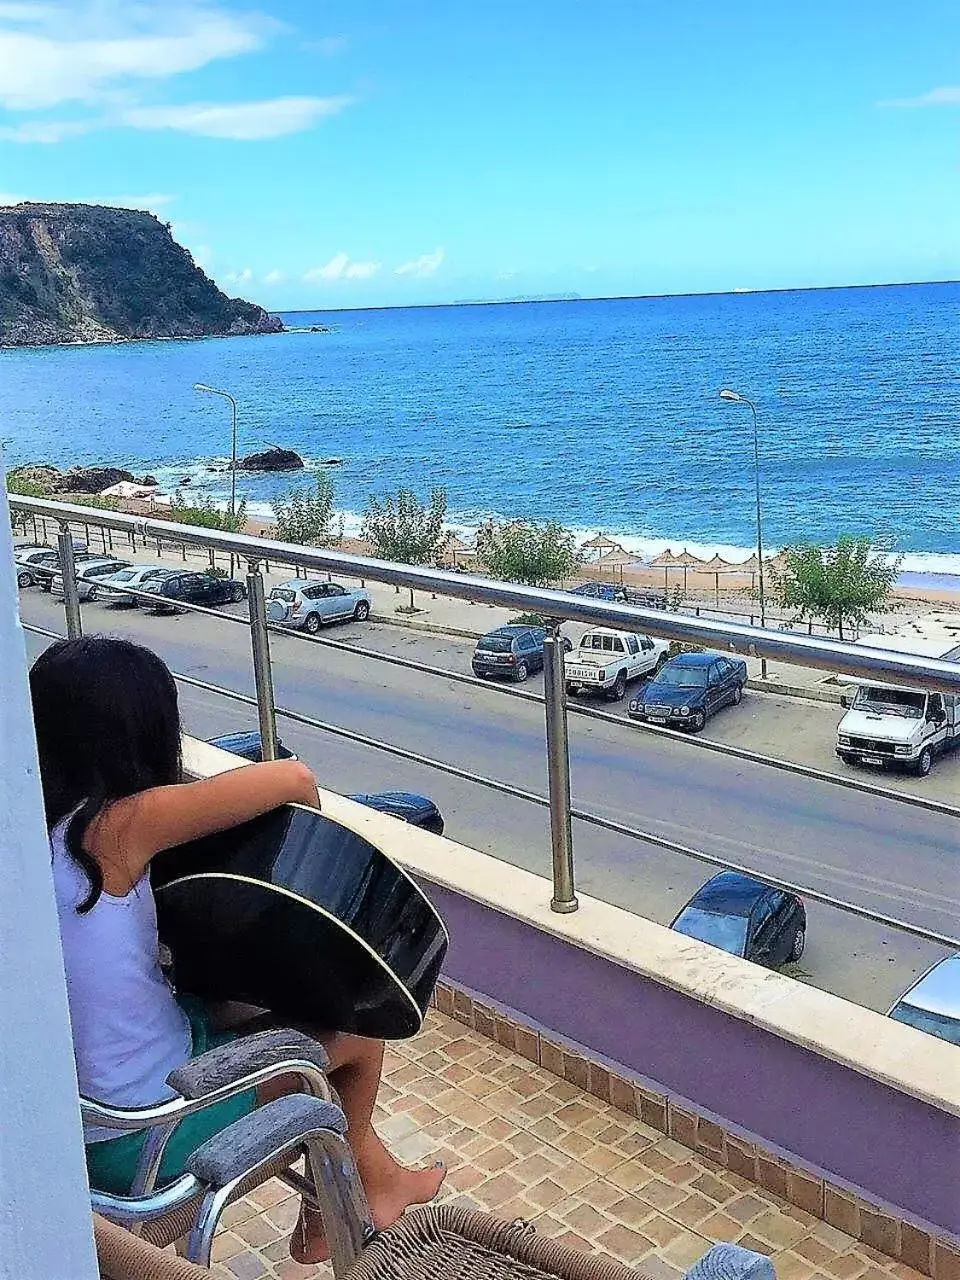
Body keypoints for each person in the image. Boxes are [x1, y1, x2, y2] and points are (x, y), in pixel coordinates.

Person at [30, 636, 444, 1265]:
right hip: (141, 1142)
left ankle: (378, 1180)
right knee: (356, 1036)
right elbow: (294, 779)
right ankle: (332, 1213)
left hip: (68, 1114)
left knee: (240, 1005)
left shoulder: (28, 830)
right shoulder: (116, 828)